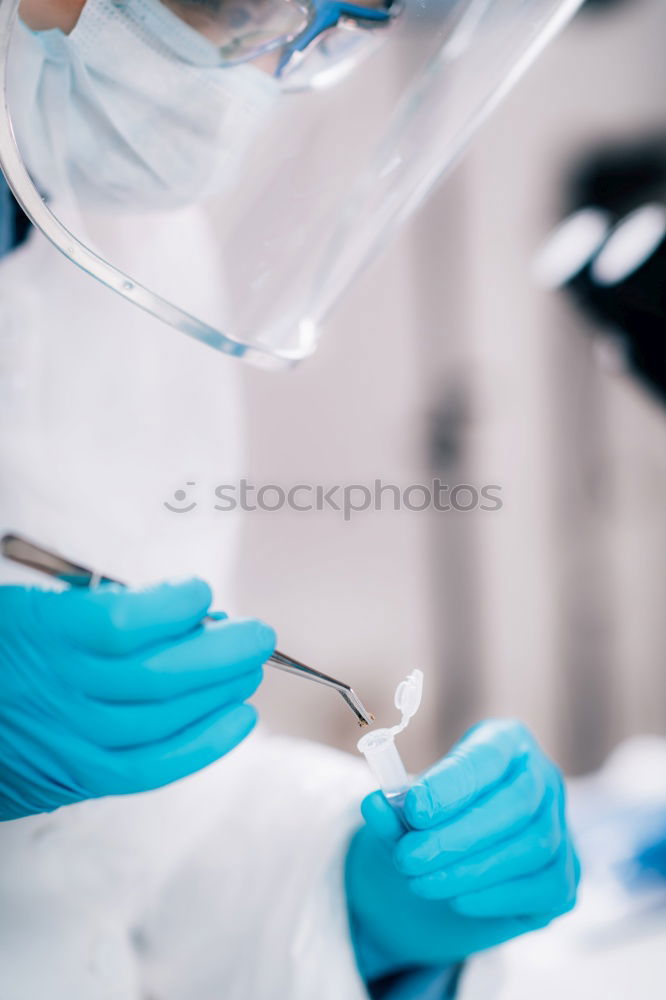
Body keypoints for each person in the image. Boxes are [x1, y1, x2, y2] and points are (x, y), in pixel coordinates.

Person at [0, 1, 580, 996]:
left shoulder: (133, 238)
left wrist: (357, 905)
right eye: (242, 2)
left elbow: (127, 861)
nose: (275, 46)